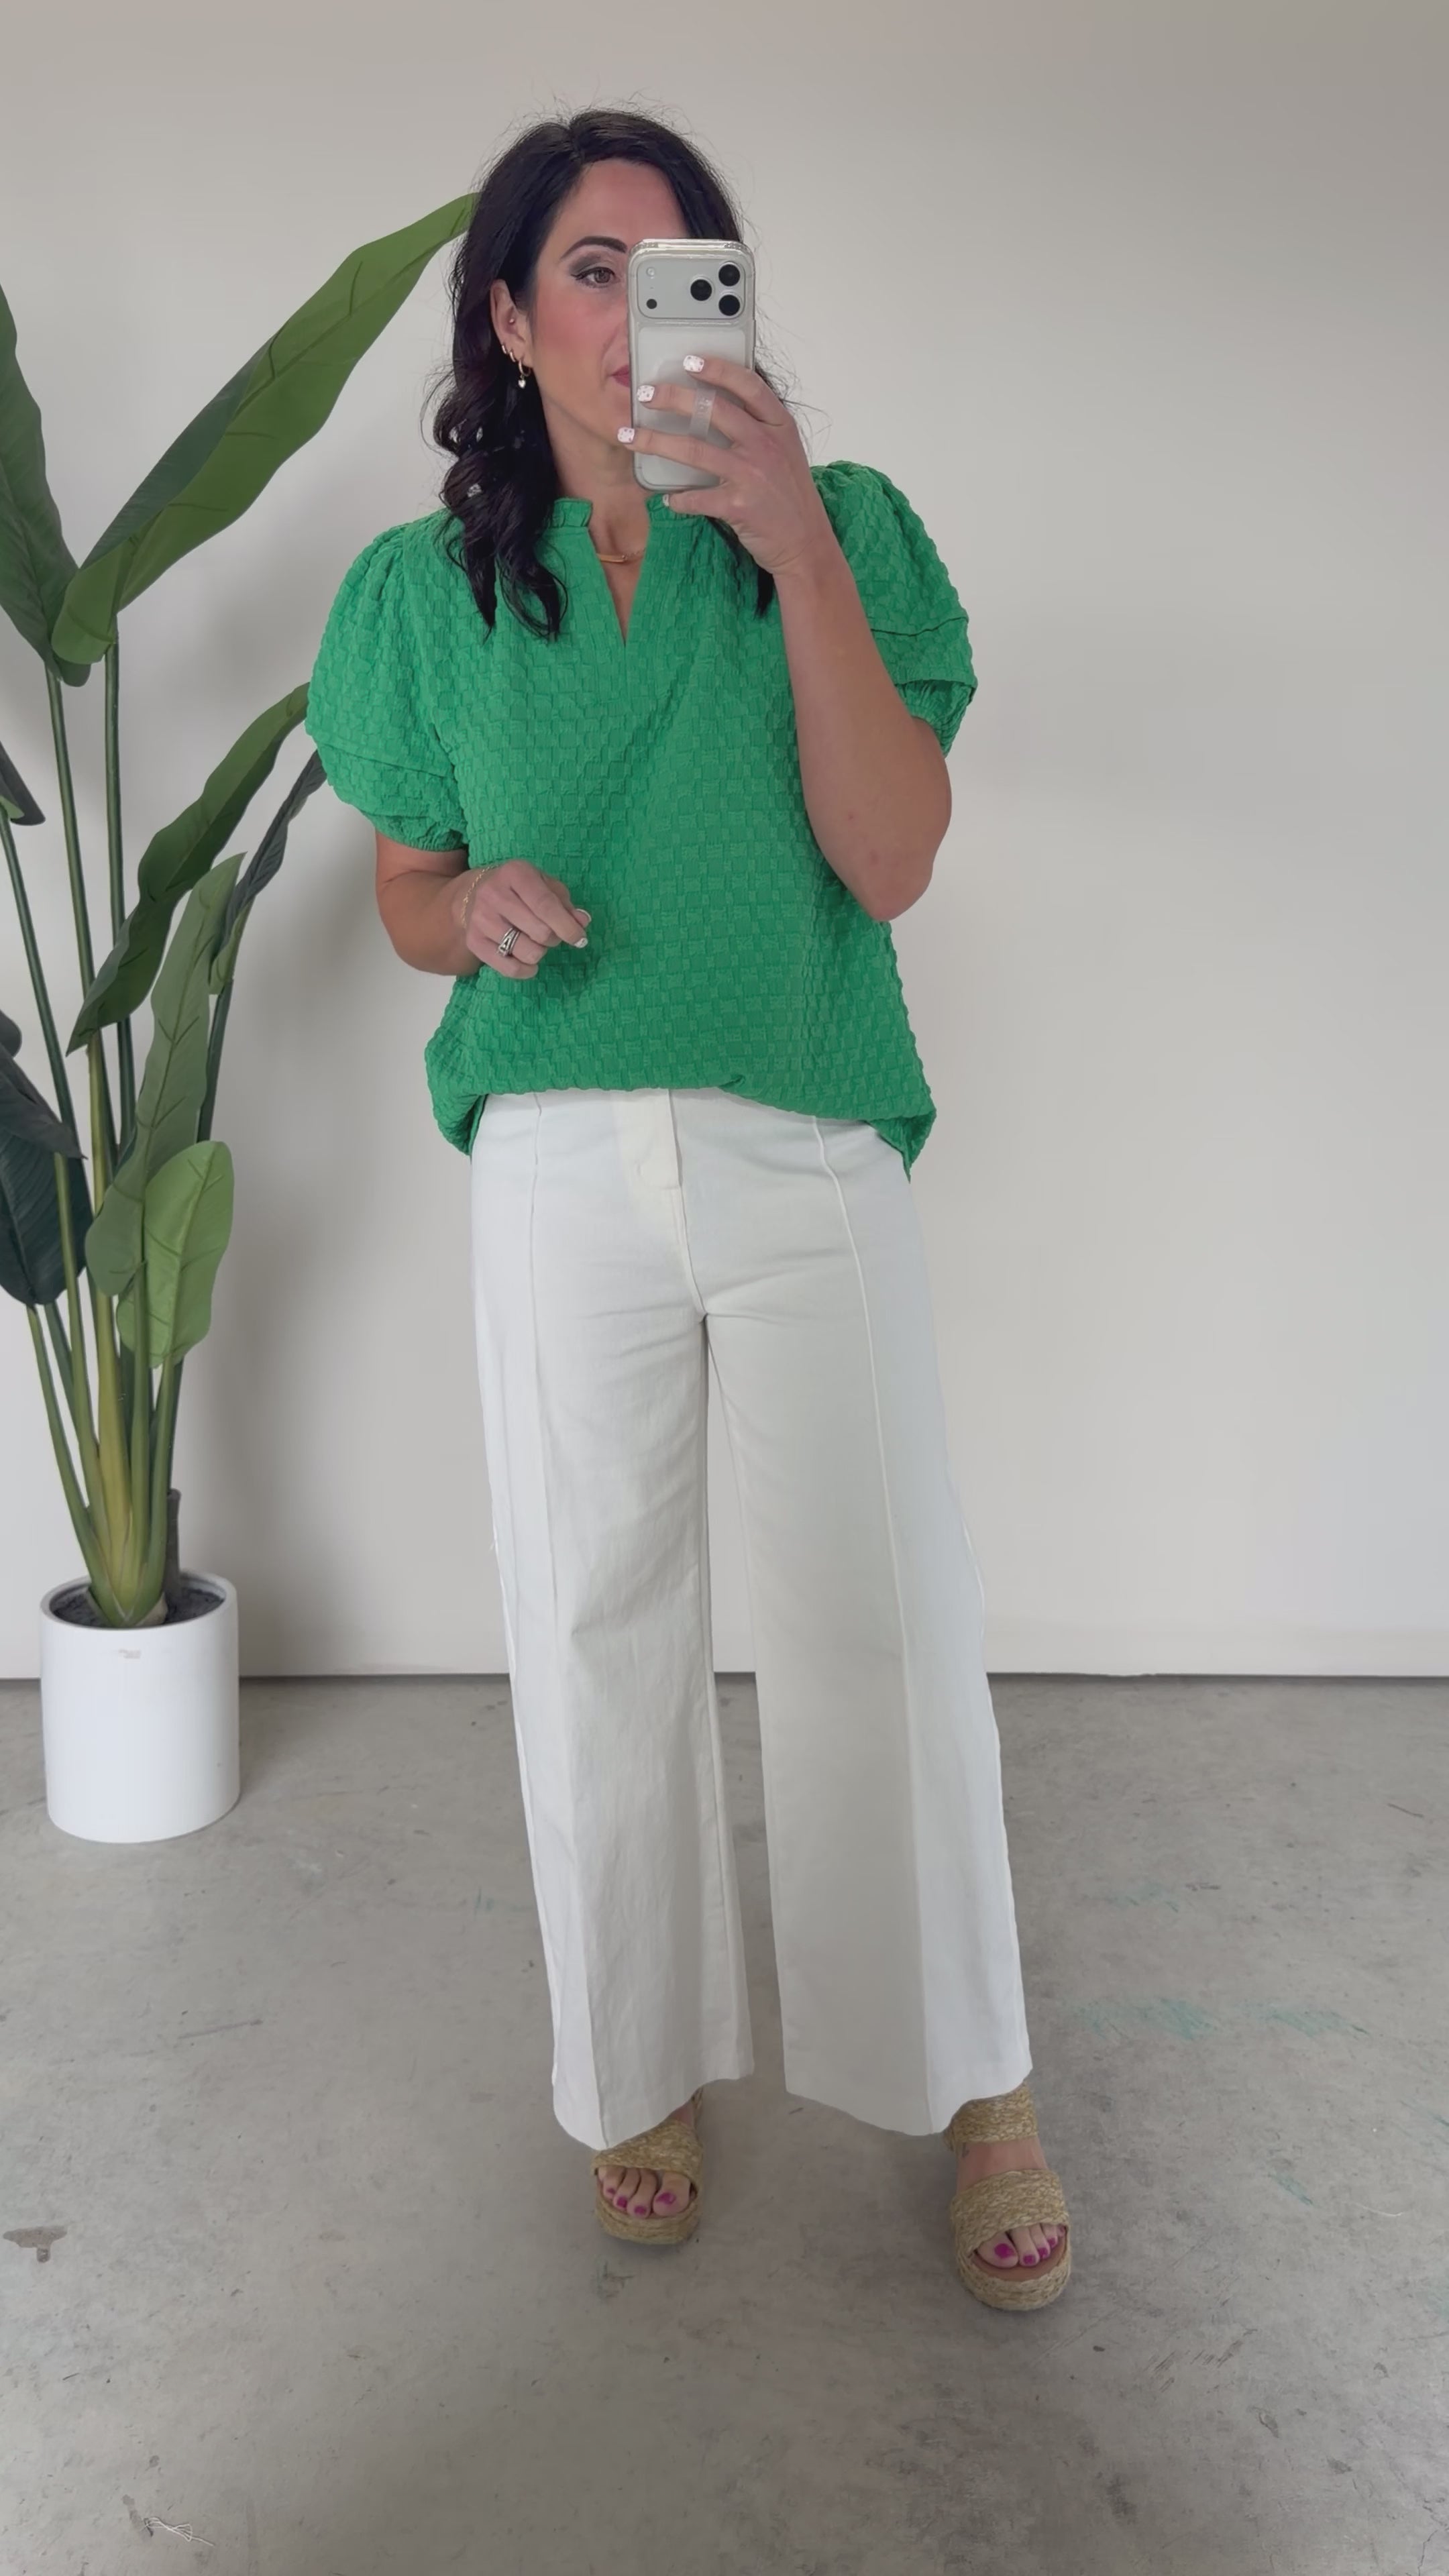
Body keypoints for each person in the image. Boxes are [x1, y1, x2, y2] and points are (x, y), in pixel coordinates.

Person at [305, 107, 1073, 2314]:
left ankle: (980, 2077)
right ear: (506, 316)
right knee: (592, 1625)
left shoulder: (842, 533)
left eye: (679, 270)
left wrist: (797, 548)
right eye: (592, 270)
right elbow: (409, 895)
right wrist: (474, 908)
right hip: (558, 1158)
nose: (637, 312)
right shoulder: (427, 598)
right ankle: (634, 2062)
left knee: (884, 1618)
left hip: (803, 1126)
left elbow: (890, 860)